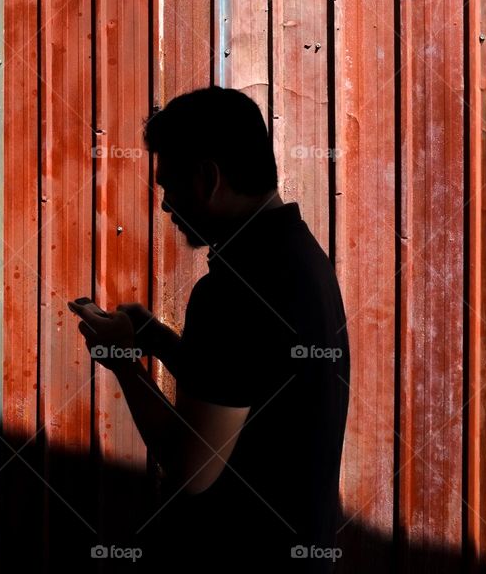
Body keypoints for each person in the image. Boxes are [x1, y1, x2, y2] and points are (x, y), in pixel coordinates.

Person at [68, 86, 349, 571]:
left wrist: (123, 365)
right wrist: (156, 340)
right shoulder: (303, 259)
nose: (166, 206)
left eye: (169, 186)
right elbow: (246, 391)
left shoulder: (233, 291)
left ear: (208, 178)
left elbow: (190, 468)